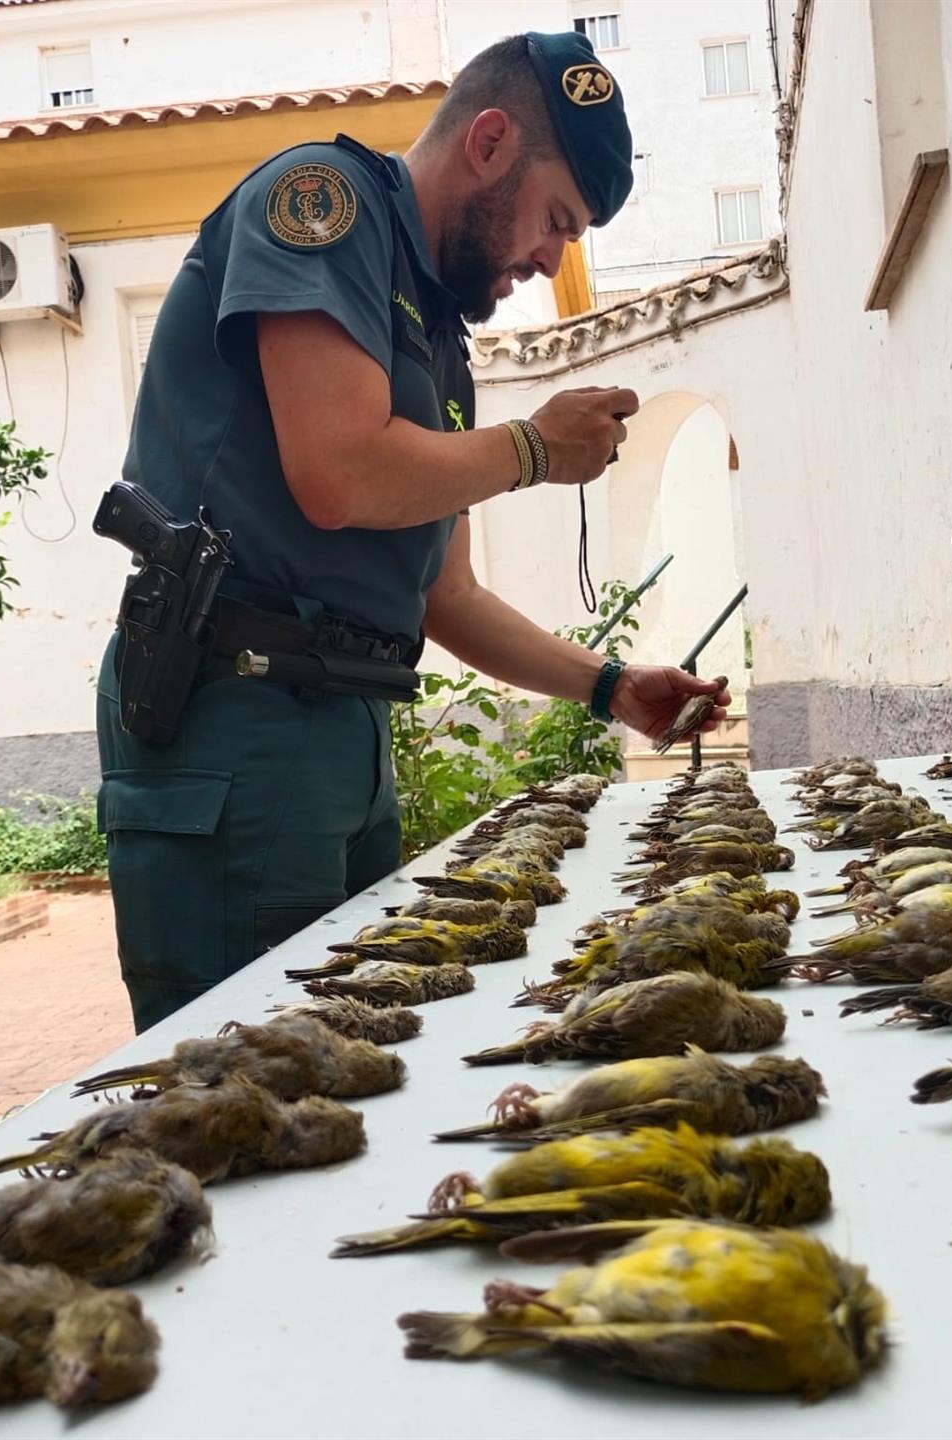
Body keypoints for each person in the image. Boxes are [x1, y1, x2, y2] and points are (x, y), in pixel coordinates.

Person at [96, 31, 729, 1032]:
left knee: (345, 1075)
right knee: (245, 1090)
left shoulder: (439, 342)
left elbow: (447, 596)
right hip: (237, 719)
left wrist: (614, 689)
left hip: (348, 730)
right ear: (487, 143)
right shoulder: (321, 204)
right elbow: (339, 472)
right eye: (555, 220)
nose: (550, 258)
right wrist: (530, 448)